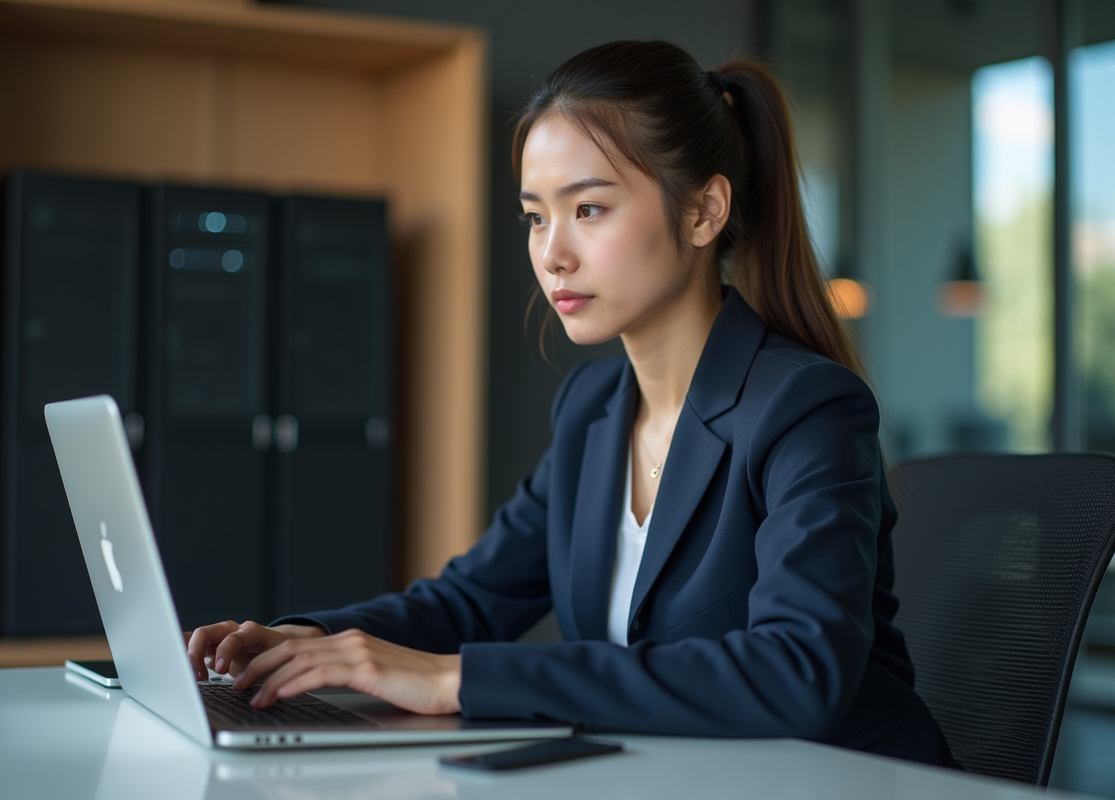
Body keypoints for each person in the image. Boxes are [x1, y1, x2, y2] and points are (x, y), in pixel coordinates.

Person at [186, 40, 957, 767]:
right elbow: (471, 599)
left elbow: (797, 673)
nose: (551, 252)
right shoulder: (592, 410)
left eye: (588, 209)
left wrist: (454, 681)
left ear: (702, 212)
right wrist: (303, 639)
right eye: (535, 215)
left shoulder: (805, 407)